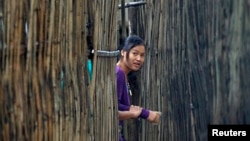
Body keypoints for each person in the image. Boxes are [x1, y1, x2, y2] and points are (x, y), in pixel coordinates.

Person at [116, 35, 161, 141]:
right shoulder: (118, 73)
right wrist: (144, 113)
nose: (139, 59)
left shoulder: (123, 74)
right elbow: (112, 108)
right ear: (123, 52)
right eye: (134, 53)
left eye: (142, 55)